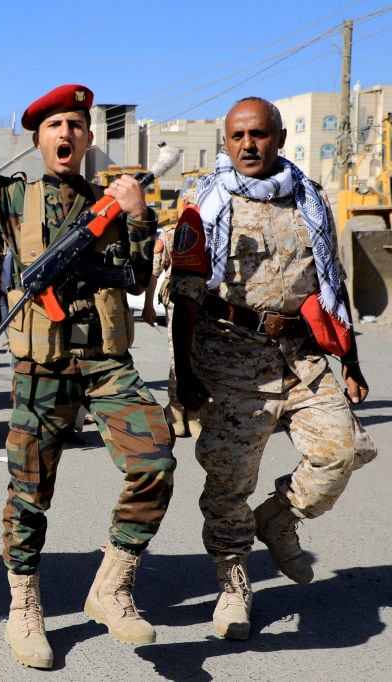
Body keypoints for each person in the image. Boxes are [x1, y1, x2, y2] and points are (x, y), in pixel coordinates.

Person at [0, 38, 176, 668]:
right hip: (40, 366)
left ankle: (111, 584)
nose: (65, 133)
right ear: (37, 140)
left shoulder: (113, 202)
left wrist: (138, 217)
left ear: (89, 137)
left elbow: (139, 277)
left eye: (75, 124)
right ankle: (24, 603)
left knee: (156, 460)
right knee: (29, 491)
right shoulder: (12, 199)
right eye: (53, 125)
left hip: (106, 361)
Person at [169, 96, 377, 641]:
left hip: (300, 356)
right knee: (228, 483)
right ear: (225, 143)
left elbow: (331, 286)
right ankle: (232, 582)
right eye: (237, 136)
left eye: (259, 135)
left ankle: (280, 517)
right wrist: (184, 374)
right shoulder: (206, 202)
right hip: (230, 357)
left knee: (344, 449)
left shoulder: (309, 197)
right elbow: (187, 295)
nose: (248, 145)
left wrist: (349, 360)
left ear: (279, 139)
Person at [143, 223, 200, 438]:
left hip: (208, 303)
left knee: (202, 358)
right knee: (180, 356)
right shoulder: (171, 233)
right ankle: (176, 408)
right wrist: (148, 305)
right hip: (178, 302)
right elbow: (154, 272)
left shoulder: (216, 228)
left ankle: (195, 411)